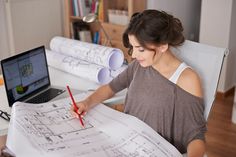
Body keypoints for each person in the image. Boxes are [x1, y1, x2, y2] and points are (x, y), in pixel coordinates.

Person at [74, 10, 206, 156]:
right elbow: (111, 88)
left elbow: (196, 136)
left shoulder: (187, 79)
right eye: (133, 47)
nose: (134, 55)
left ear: (163, 46)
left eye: (140, 49)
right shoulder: (139, 65)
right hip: (124, 143)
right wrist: (86, 103)